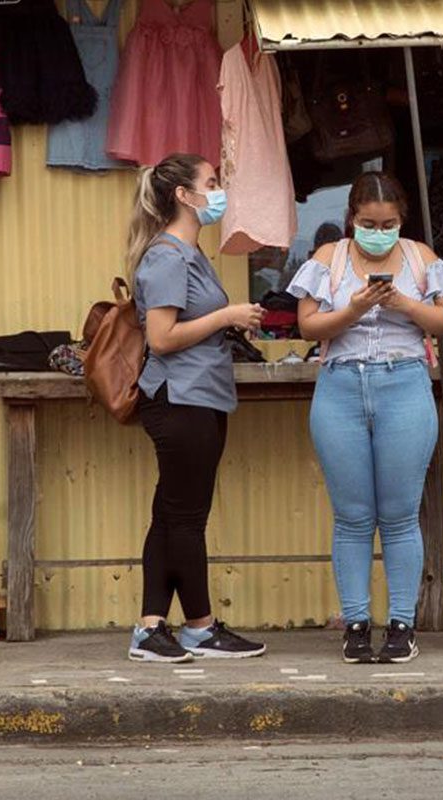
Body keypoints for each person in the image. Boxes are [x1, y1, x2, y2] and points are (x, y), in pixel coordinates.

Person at [287, 172, 443, 664]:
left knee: (401, 513)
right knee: (352, 516)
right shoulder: (329, 257)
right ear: (352, 218)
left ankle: (402, 623)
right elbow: (307, 325)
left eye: (388, 223)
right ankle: (357, 622)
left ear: (401, 220)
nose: (379, 231)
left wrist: (404, 303)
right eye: (368, 223)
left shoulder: (420, 257)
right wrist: (354, 309)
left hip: (404, 380)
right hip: (340, 384)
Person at [126, 153, 268, 663]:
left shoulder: (189, 253)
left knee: (170, 515)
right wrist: (226, 314)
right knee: (186, 518)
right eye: (212, 182)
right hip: (179, 396)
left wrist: (229, 321)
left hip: (199, 394)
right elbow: (161, 338)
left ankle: (151, 628)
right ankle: (200, 627)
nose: (219, 189)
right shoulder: (167, 257)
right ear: (184, 196)